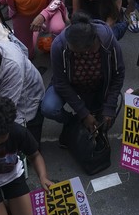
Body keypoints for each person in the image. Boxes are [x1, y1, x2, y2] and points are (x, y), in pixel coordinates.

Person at [43, 13, 125, 141]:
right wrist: (83, 113)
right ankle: (72, 122)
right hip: (70, 86)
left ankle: (94, 110)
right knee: (49, 107)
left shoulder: (108, 41)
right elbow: (60, 83)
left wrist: (110, 107)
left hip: (98, 87)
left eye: (77, 53)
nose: (73, 54)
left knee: (106, 121)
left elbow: (118, 75)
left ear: (88, 50)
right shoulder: (59, 45)